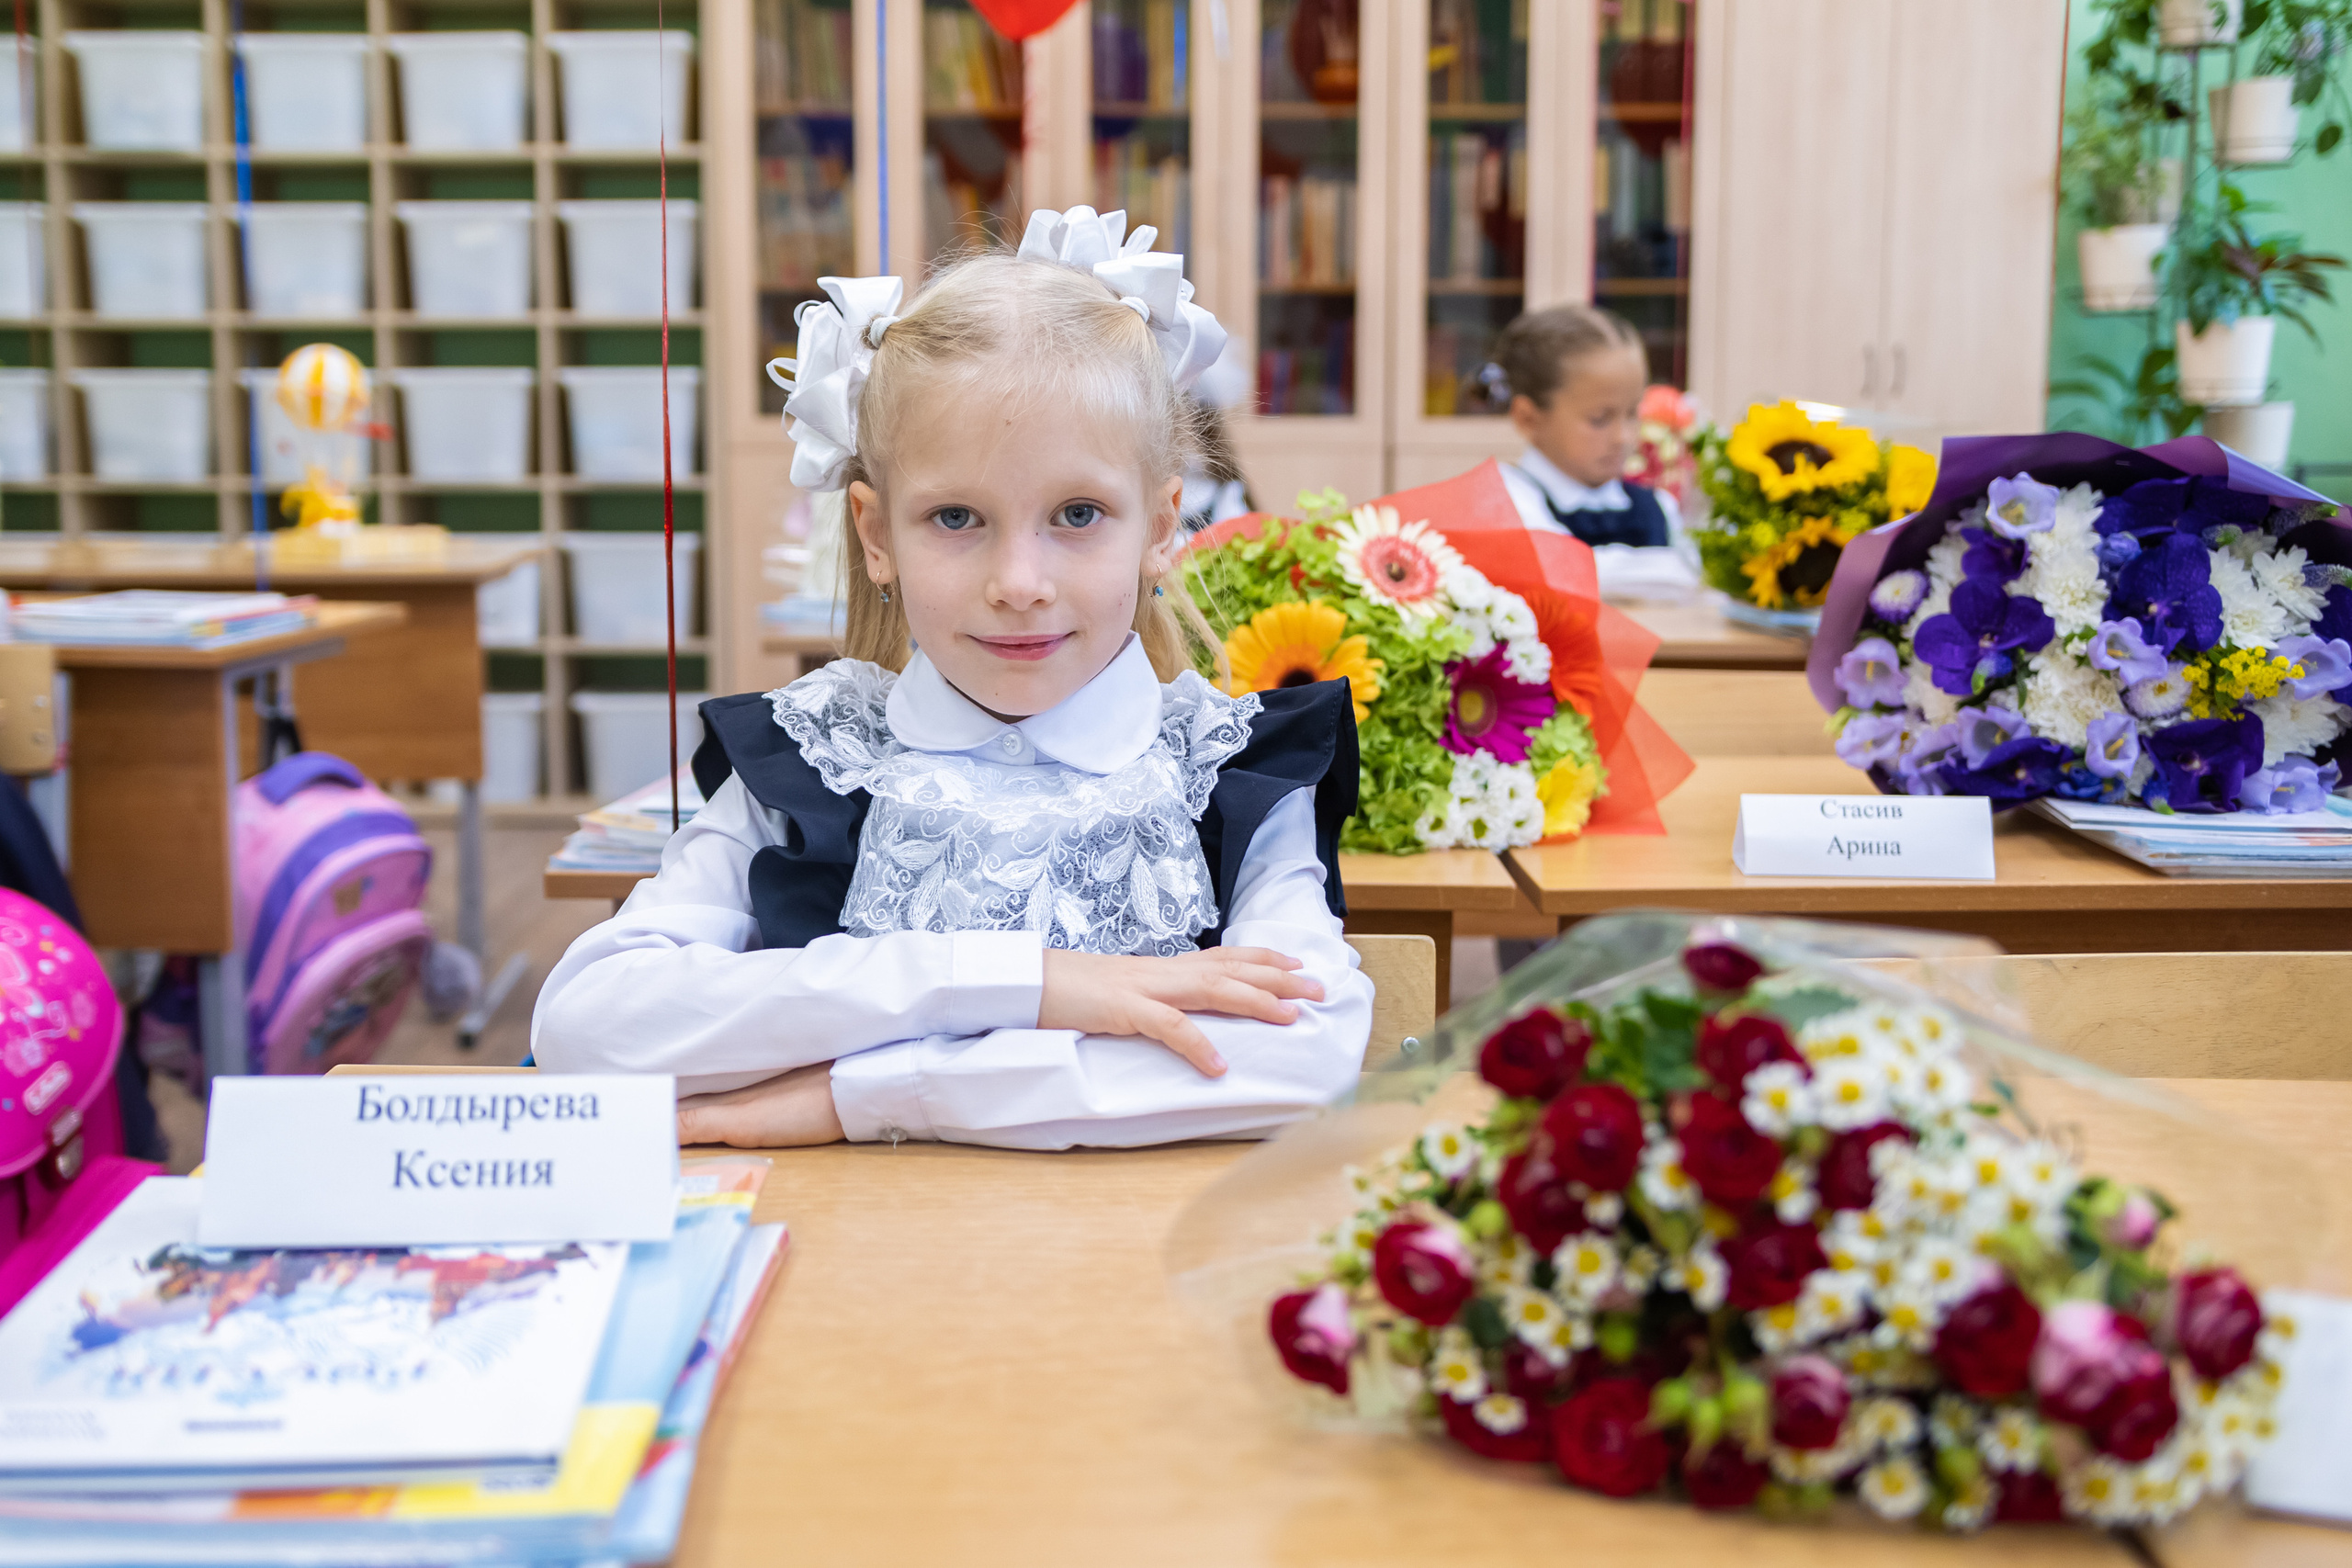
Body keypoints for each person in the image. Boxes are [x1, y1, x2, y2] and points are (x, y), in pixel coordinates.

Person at [530, 206, 1373, 1152]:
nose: (1019, 585)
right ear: (876, 533)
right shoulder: (813, 755)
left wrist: (869, 1095)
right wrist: (1027, 985)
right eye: (957, 519)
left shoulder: (1234, 766)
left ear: (1162, 523)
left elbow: (1306, 1056)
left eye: (1079, 513)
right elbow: (587, 1027)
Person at [1491, 305, 1697, 600]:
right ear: (1528, 418)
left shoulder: (1659, 507)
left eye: (1632, 413)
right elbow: (1557, 576)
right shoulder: (1507, 500)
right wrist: (1673, 571)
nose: (1623, 437)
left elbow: (1703, 580)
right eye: (1599, 419)